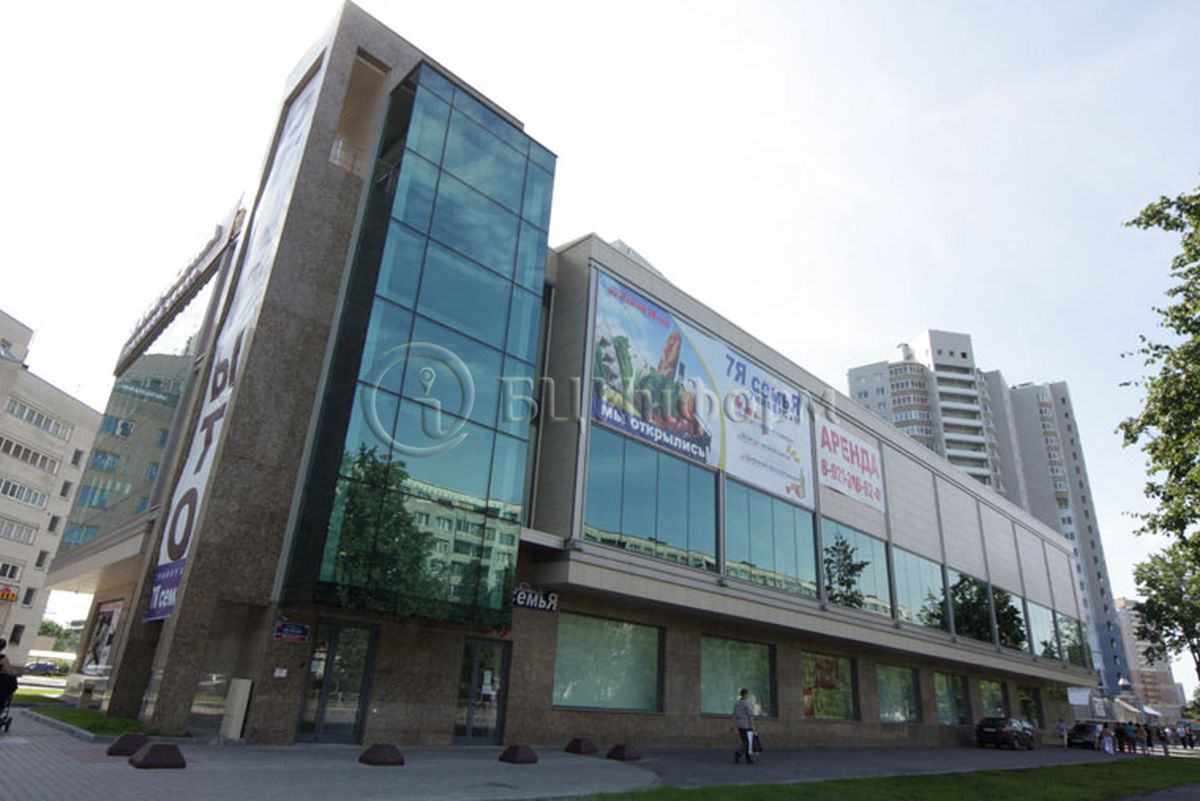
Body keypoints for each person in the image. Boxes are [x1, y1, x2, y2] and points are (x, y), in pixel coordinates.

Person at [732, 687, 755, 765]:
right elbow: (750, 715)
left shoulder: (737, 704)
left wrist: (734, 725)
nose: (748, 696)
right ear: (745, 694)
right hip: (747, 725)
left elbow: (734, 715)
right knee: (747, 742)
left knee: (745, 741)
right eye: (747, 694)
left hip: (740, 725)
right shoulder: (747, 704)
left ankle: (747, 757)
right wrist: (752, 725)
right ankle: (739, 754)